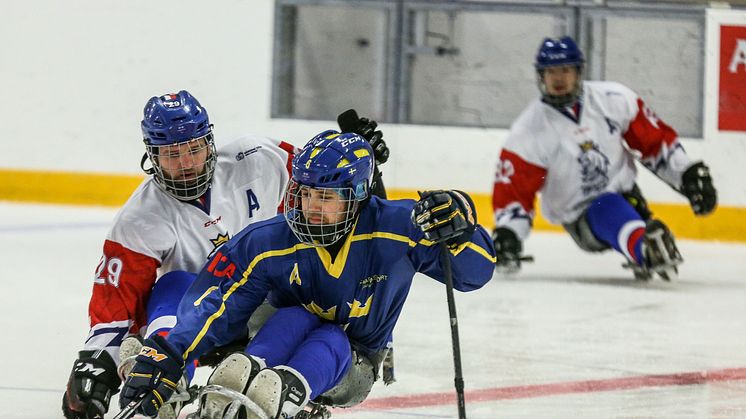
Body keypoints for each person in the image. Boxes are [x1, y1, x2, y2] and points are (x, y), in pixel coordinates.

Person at [116, 130, 496, 419]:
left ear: (359, 194)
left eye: (326, 198)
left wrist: (462, 232)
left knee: (331, 336)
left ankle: (285, 392)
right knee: (293, 315)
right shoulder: (269, 239)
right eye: (304, 194)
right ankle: (243, 381)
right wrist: (169, 352)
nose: (311, 208)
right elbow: (217, 300)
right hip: (280, 333)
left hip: (355, 363)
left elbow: (473, 274)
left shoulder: (400, 227)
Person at [61, 91, 389, 419]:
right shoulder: (139, 219)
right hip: (208, 321)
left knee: (300, 312)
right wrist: (95, 362)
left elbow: (336, 200)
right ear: (152, 155)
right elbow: (115, 305)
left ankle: (282, 386)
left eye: (194, 148)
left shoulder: (260, 159)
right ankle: (168, 378)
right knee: (175, 284)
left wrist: (364, 170)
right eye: (172, 154)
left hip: (280, 305)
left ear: (210, 142)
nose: (187, 163)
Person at [491, 36, 717, 280]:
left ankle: (642, 240)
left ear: (578, 72)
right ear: (540, 76)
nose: (558, 78)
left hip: (629, 196)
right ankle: (643, 247)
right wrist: (509, 232)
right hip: (580, 216)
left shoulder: (615, 100)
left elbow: (654, 144)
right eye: (551, 71)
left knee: (616, 205)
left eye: (565, 70)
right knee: (606, 206)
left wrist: (686, 174)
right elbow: (514, 192)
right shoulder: (527, 130)